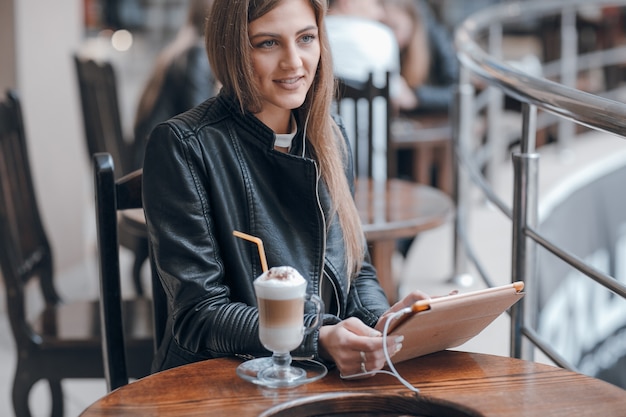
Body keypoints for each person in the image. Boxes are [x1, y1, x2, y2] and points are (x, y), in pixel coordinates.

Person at [142, 0, 429, 377]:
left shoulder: (332, 136)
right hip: (219, 380)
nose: (294, 61)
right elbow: (200, 314)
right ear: (232, 49)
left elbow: (355, 271)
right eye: (268, 43)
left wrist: (381, 324)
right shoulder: (183, 145)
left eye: (305, 38)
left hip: (314, 373)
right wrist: (318, 337)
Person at [132, 0, 218, 170]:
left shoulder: (177, 51)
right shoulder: (198, 54)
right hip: (161, 172)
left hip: (150, 164)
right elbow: (202, 133)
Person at [382, 0, 459, 114]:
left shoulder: (436, 39)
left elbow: (456, 94)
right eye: (383, 27)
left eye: (394, 27)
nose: (389, 36)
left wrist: (417, 97)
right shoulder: (380, 48)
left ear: (412, 21)